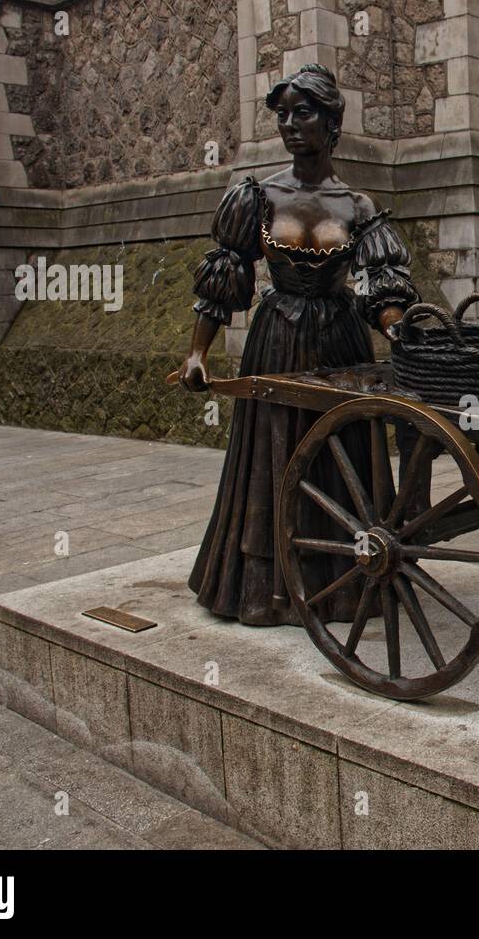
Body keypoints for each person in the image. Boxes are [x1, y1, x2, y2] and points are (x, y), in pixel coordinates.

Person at [177, 64, 419, 626]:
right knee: (275, 453)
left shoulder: (357, 206)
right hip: (278, 338)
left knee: (341, 460)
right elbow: (226, 275)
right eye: (282, 114)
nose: (290, 124)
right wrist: (197, 353)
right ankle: (268, 589)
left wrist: (395, 326)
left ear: (332, 123)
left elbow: (381, 285)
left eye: (303, 113)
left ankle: (341, 583)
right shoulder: (258, 197)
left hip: (339, 341)